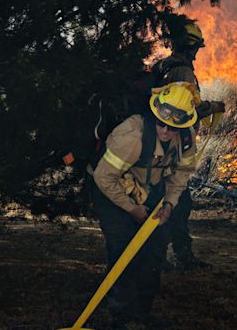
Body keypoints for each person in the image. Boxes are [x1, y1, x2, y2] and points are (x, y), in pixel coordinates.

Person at [92, 82, 197, 329]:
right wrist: (131, 209)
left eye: (173, 126)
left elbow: (181, 173)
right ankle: (122, 319)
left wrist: (169, 204)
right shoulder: (132, 137)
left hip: (150, 191)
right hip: (113, 190)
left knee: (154, 252)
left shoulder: (185, 138)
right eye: (162, 123)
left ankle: (142, 316)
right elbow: (103, 178)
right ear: (155, 114)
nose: (165, 130)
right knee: (123, 252)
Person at [153, 19, 225, 270]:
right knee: (178, 204)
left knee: (167, 201)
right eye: (195, 47)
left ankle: (164, 257)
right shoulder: (181, 71)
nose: (196, 52)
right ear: (188, 46)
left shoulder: (165, 66)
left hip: (162, 146)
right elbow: (183, 107)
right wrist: (213, 108)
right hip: (171, 148)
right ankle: (174, 258)